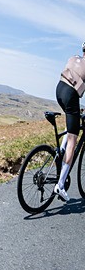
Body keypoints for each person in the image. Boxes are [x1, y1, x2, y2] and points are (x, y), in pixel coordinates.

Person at [54, 42, 85, 202]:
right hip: (71, 95)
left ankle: (60, 150)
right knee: (74, 138)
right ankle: (60, 185)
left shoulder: (74, 58)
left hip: (59, 90)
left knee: (70, 125)